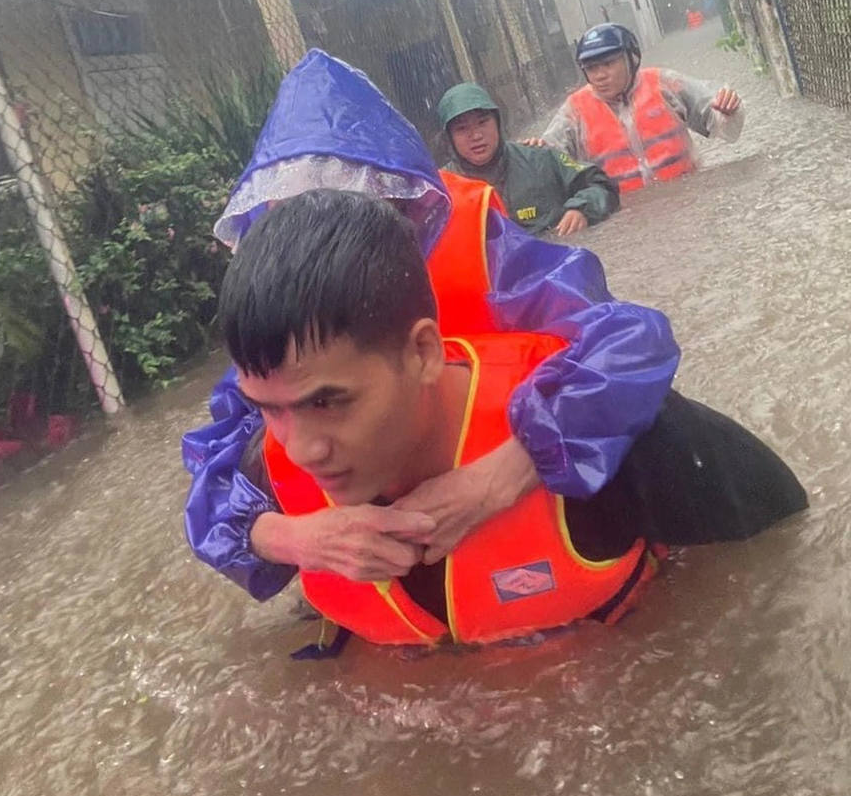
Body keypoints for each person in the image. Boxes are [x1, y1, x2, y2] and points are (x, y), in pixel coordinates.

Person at [183, 49, 679, 601]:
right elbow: (217, 477)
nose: (321, 238)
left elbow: (630, 342)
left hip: (518, 487)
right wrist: (295, 538)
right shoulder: (286, 328)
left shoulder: (483, 250)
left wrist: (500, 475)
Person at [214, 190, 807, 647]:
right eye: (268, 408)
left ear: (423, 352)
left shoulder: (598, 428)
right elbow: (215, 524)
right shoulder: (268, 476)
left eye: (327, 403)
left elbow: (786, 543)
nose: (302, 452)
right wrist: (290, 539)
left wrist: (512, 471)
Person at [536, 24, 745, 193]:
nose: (600, 75)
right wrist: (532, 153)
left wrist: (729, 111)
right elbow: (548, 167)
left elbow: (722, 124)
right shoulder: (574, 111)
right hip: (622, 215)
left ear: (631, 58)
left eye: (608, 63)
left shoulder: (665, 84)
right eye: (591, 68)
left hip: (687, 198)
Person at [437, 81, 618, 237]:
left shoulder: (539, 159)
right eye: (462, 129)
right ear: (449, 139)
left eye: (483, 122)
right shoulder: (441, 189)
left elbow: (602, 185)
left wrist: (582, 210)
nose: (476, 135)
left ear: (498, 123)